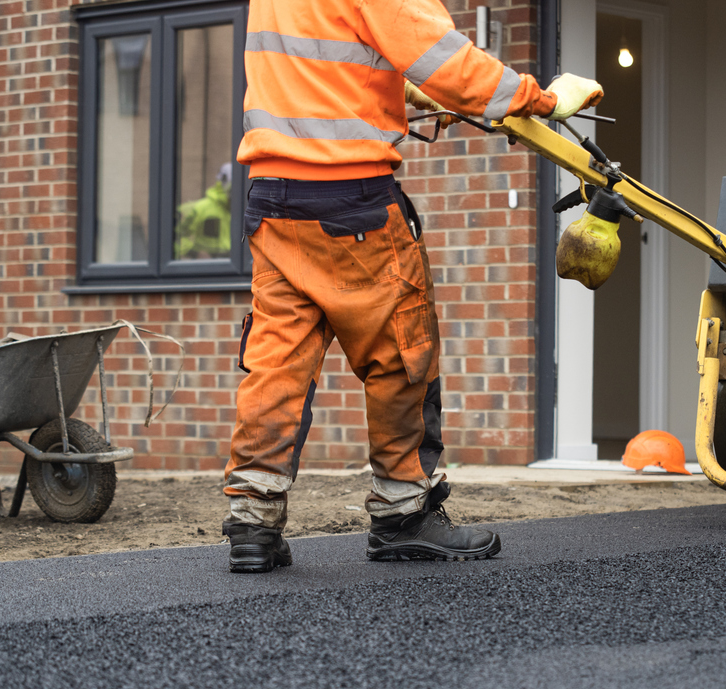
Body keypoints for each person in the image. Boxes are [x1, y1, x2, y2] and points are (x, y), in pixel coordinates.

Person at [223, 0, 604, 572]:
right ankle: (404, 514)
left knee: (278, 360)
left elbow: (316, 76)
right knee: (402, 351)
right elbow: (444, 58)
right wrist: (545, 100)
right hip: (352, 203)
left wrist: (402, 94)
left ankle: (253, 521)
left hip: (274, 199)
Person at [174, 163, 233, 259]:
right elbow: (175, 236)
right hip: (207, 266)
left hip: (233, 265)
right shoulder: (200, 209)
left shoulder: (244, 211)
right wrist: (193, 252)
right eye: (232, 189)